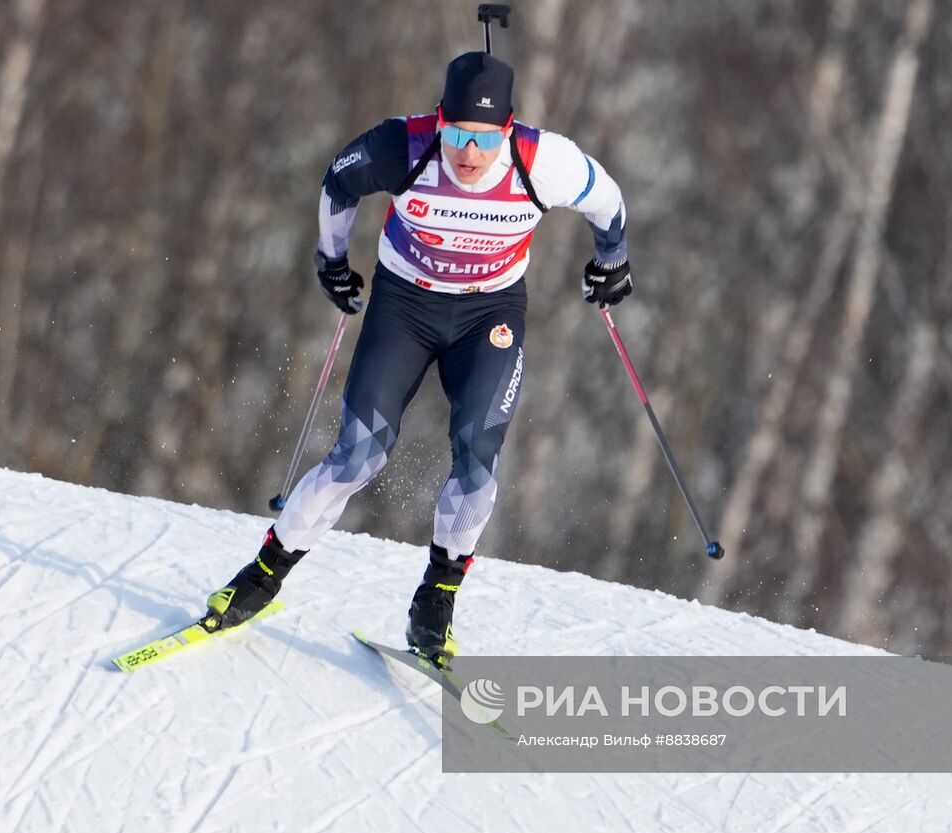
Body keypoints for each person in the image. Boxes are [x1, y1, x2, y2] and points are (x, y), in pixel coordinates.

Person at [203, 51, 632, 667]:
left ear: (507, 130)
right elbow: (337, 183)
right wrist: (331, 261)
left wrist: (611, 262)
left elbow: (608, 201)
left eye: (483, 140)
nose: (468, 153)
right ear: (440, 120)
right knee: (358, 453)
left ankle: (435, 602)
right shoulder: (403, 145)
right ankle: (260, 577)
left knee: (477, 457)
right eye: (456, 134)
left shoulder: (544, 161)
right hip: (405, 306)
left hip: (490, 316)